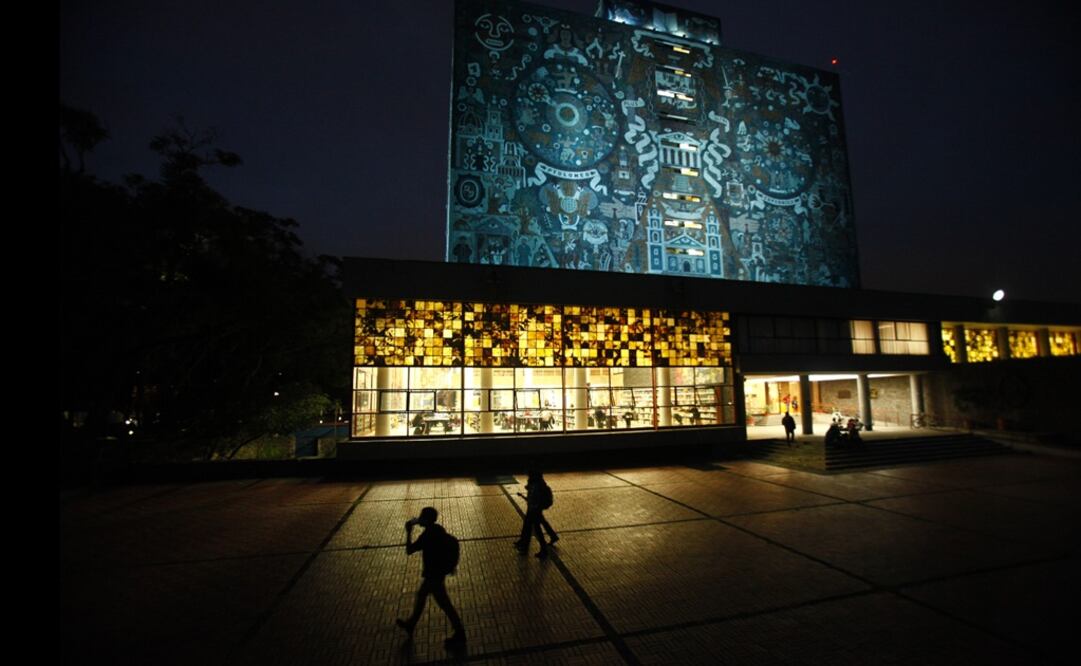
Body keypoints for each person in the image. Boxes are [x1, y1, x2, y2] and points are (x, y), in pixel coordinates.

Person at [396, 507, 466, 647]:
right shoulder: (438, 529)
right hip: (437, 573)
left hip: (434, 575)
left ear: (427, 519)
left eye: (422, 517)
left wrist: (409, 532)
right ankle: (411, 623)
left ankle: (460, 633)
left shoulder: (427, 535)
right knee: (423, 596)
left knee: (444, 604)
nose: (419, 519)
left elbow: (409, 550)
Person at [515, 470, 557, 558]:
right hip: (534, 509)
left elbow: (534, 498)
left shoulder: (536, 485)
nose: (528, 477)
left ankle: (540, 548)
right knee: (535, 526)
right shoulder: (537, 483)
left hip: (534, 510)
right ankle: (526, 545)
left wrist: (532, 505)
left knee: (535, 529)